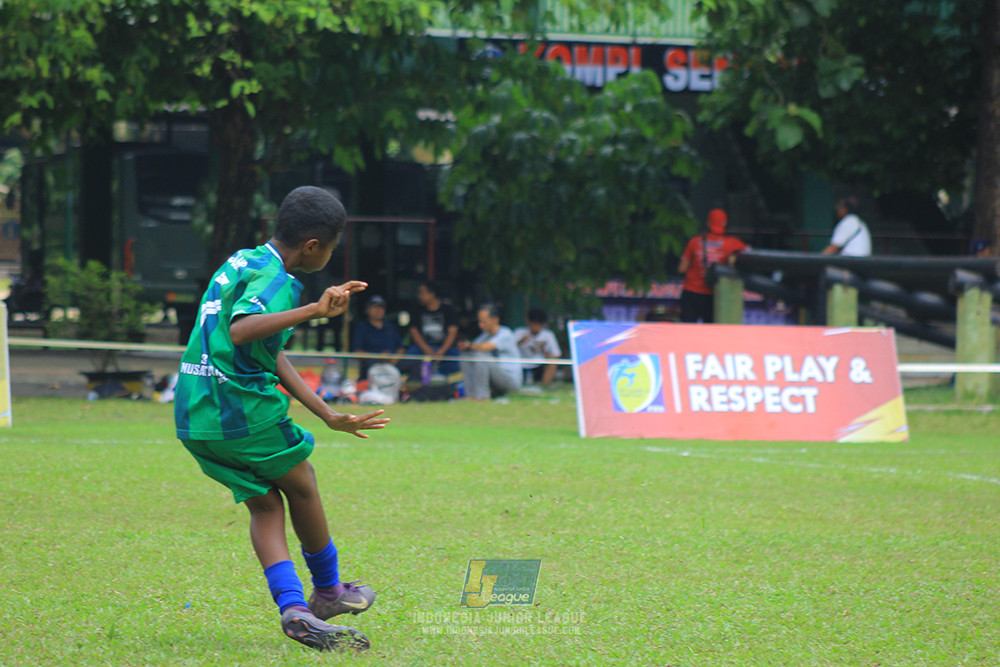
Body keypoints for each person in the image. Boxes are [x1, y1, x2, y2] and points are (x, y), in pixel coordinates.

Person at [173, 186, 390, 652]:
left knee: (267, 503)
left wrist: (328, 414)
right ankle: (330, 593)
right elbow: (241, 329)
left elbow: (266, 352)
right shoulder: (277, 281)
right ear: (312, 246)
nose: (329, 257)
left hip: (196, 414)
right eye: (330, 249)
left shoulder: (243, 261)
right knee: (303, 482)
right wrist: (314, 309)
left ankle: (295, 609)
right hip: (240, 412)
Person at [676, 208, 748, 323]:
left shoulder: (694, 241)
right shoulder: (733, 243)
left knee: (687, 330)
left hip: (691, 292)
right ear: (724, 223)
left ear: (709, 222)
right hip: (713, 295)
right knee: (710, 332)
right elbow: (750, 256)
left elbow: (682, 268)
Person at [457, 303, 523, 400]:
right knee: (466, 355)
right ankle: (470, 395)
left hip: (509, 380)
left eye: (484, 322)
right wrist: (465, 347)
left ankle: (482, 396)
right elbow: (474, 347)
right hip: (494, 378)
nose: (481, 325)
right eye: (479, 322)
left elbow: (485, 347)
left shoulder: (505, 333)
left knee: (481, 356)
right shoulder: (485, 335)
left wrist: (470, 345)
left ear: (495, 320)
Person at [401, 280, 460, 380]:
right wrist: (426, 349)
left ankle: (440, 375)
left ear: (432, 294)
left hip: (443, 347)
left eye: (422, 293)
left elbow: (452, 332)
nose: (419, 296)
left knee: (457, 361)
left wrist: (441, 351)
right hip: (421, 347)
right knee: (408, 359)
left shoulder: (448, 309)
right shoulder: (417, 309)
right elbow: (414, 331)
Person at [351, 294, 403, 381]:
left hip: (392, 365)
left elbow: (401, 348)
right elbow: (358, 351)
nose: (378, 310)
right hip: (371, 365)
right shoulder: (362, 328)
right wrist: (378, 357)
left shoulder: (390, 327)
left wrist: (395, 358)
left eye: (381, 308)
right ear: (367, 310)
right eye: (374, 307)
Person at [513, 308, 562, 386]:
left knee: (553, 362)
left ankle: (545, 385)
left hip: (539, 365)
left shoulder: (548, 335)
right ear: (529, 323)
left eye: (538, 324)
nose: (536, 327)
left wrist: (543, 350)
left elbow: (556, 355)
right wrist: (521, 342)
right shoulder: (519, 332)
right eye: (534, 324)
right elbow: (509, 349)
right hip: (521, 364)